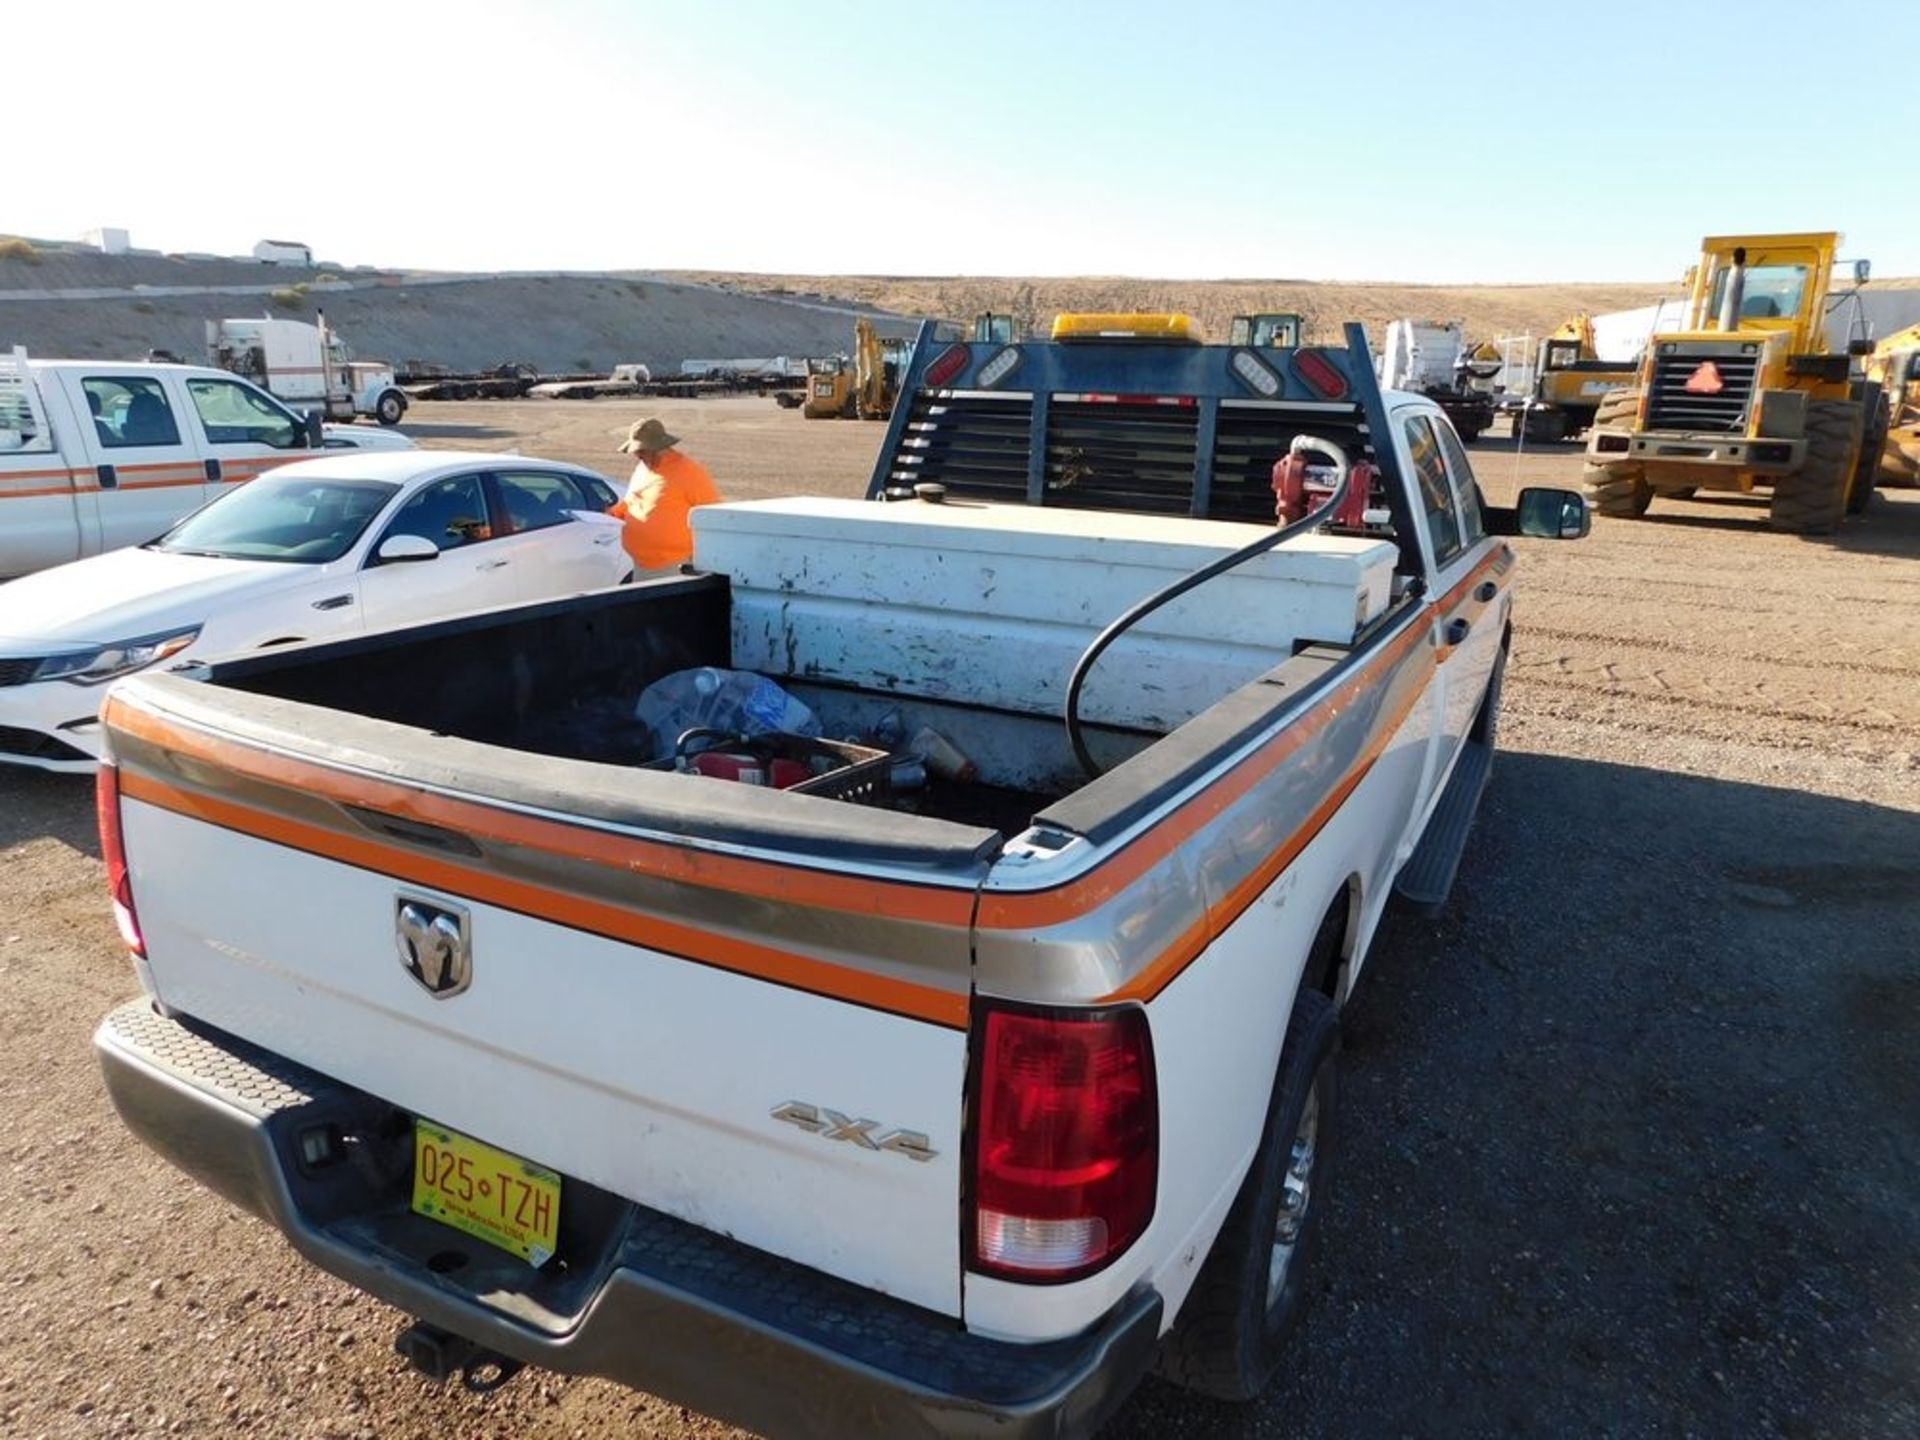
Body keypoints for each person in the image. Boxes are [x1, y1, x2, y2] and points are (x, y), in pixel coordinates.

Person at [608, 417, 720, 574]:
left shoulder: (689, 472)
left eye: (640, 450)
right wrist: (614, 513)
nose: (636, 455)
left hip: (677, 566)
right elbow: (632, 500)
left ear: (657, 448)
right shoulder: (643, 467)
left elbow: (712, 515)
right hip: (641, 565)